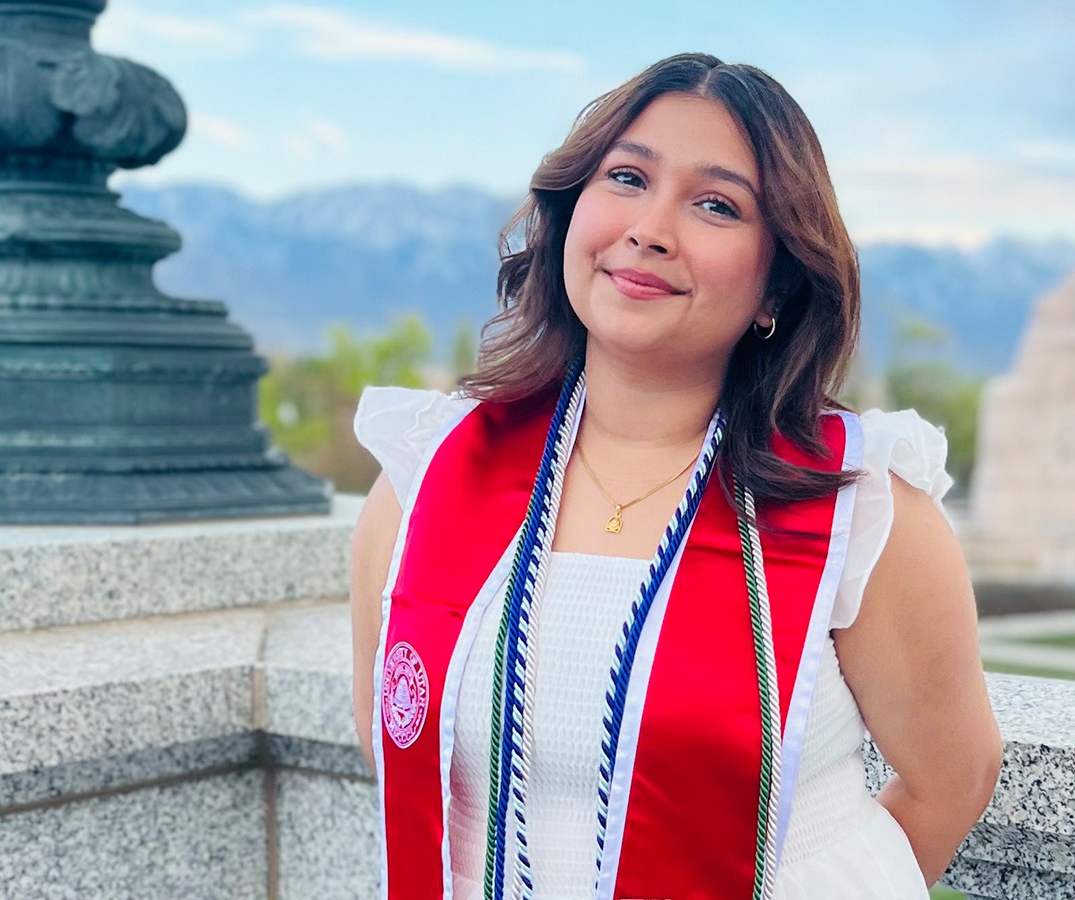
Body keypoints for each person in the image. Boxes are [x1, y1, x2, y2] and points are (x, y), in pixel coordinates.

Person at [350, 52, 1002, 900]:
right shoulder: (425, 479)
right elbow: (392, 739)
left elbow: (950, 779)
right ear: (571, 211)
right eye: (626, 177)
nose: (651, 228)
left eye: (716, 205)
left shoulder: (863, 514)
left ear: (778, 281)